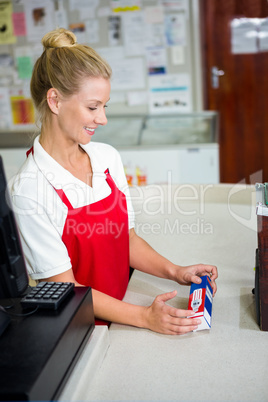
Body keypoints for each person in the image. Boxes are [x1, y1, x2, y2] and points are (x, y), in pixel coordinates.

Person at [10, 28, 218, 335]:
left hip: (127, 309)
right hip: (81, 332)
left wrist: (175, 271)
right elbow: (67, 290)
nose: (103, 119)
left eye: (104, 106)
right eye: (93, 107)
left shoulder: (106, 158)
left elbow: (128, 240)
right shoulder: (28, 189)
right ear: (54, 100)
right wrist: (145, 317)